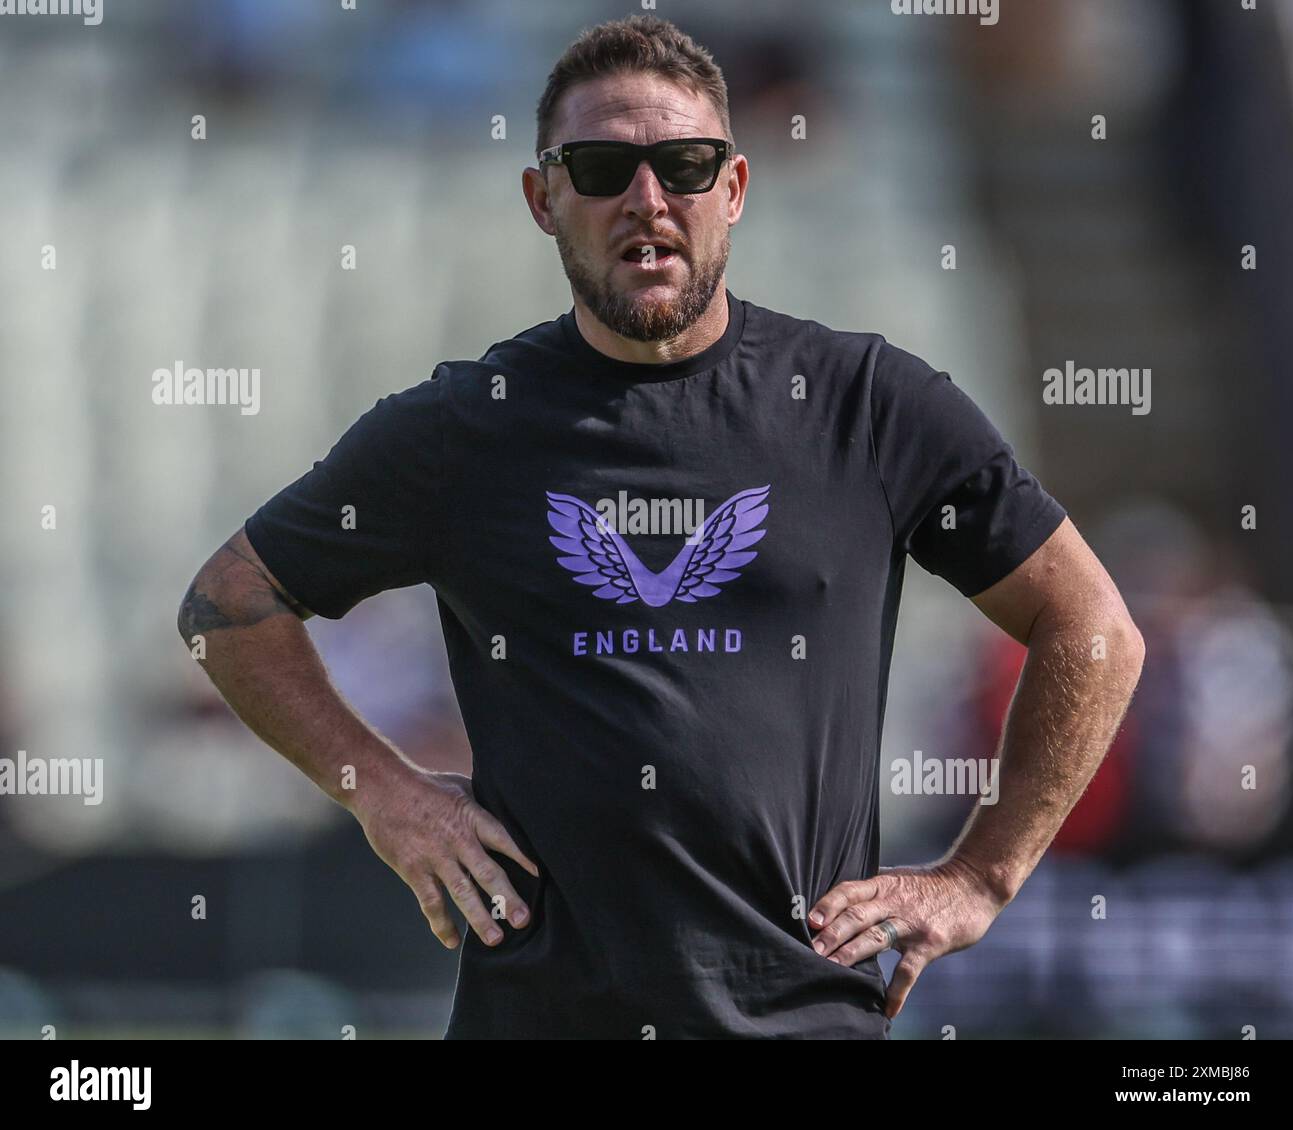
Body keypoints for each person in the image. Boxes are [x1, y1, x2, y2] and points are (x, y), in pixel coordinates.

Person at [178, 14, 1144, 1039]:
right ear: (543, 200)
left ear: (731, 189)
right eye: (601, 167)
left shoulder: (867, 404)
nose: (647, 198)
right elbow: (229, 603)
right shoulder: (469, 425)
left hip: (804, 1019)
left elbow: (1092, 627)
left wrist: (979, 876)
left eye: (682, 164)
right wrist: (385, 793)